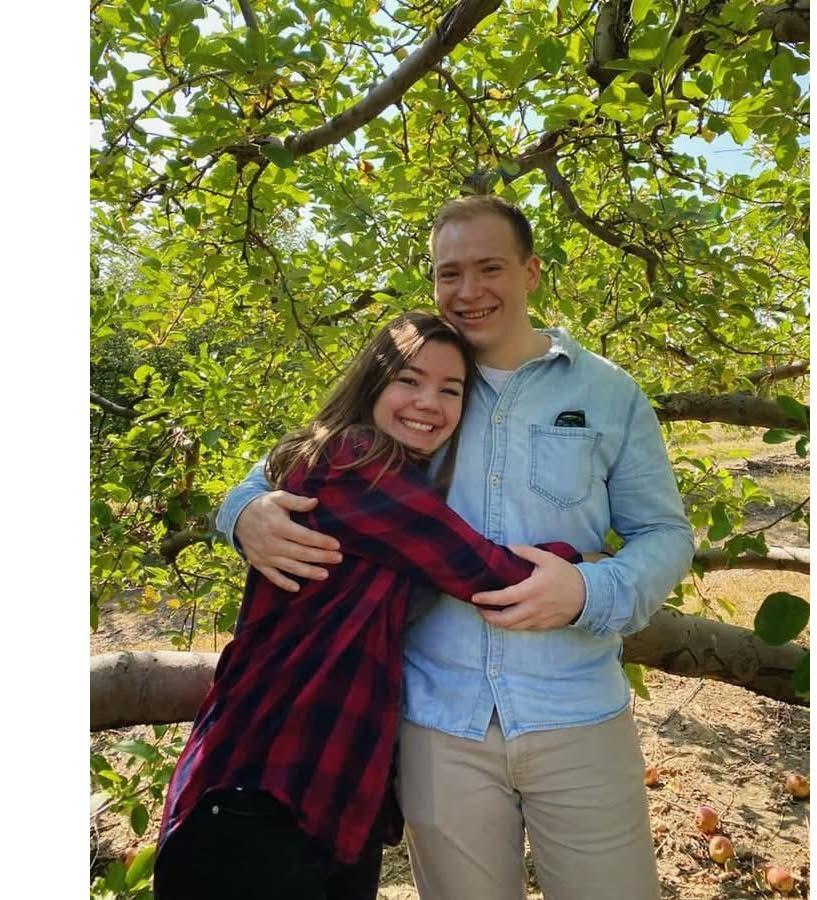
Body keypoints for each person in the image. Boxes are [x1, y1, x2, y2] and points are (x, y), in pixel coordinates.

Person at [217, 197, 695, 900]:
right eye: (450, 273)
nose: (469, 291)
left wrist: (592, 590)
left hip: (577, 711)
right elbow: (279, 471)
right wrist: (242, 515)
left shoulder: (609, 392)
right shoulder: (413, 388)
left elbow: (665, 533)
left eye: (490, 267)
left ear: (531, 272)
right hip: (439, 720)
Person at [153, 311, 582, 900]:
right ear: (372, 382)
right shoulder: (357, 462)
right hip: (262, 793)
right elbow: (485, 572)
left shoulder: (393, 474)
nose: (429, 402)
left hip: (324, 802)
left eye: (451, 390)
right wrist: (581, 554)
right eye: (409, 380)